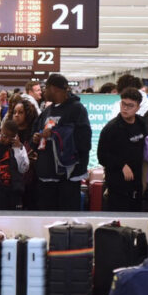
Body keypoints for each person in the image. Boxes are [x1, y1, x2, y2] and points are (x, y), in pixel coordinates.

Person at [32, 74, 91, 211]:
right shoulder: (47, 111)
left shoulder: (77, 109)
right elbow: (36, 131)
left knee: (67, 217)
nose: (43, 92)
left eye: (45, 88)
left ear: (53, 89)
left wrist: (55, 134)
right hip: (47, 174)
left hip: (69, 176)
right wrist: (36, 138)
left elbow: (84, 141)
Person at [98, 87, 147, 212]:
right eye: (123, 104)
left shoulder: (142, 124)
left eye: (130, 105)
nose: (125, 108)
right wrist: (121, 165)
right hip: (118, 185)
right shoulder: (111, 128)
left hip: (138, 183)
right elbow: (102, 156)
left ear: (138, 108)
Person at [0, 119, 29, 210]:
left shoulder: (19, 147)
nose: (6, 139)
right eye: (4, 135)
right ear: (0, 131)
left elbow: (23, 169)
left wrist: (18, 150)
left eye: (10, 137)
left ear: (15, 136)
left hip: (14, 191)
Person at [9, 100, 39, 210]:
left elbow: (34, 156)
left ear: (28, 114)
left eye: (20, 112)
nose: (16, 115)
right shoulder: (8, 133)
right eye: (14, 112)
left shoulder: (34, 134)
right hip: (12, 182)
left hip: (31, 182)